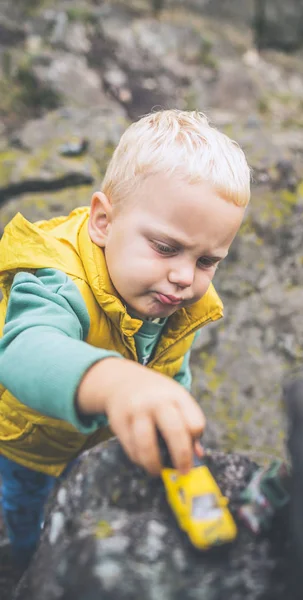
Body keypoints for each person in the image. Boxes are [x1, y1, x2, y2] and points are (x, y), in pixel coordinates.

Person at [0, 110, 251, 567]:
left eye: (207, 261)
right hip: (27, 441)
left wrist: (170, 408)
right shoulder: (56, 280)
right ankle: (24, 560)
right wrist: (119, 383)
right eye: (165, 247)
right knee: (28, 510)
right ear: (103, 221)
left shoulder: (178, 298)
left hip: (95, 438)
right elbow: (24, 349)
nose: (183, 277)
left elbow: (171, 368)